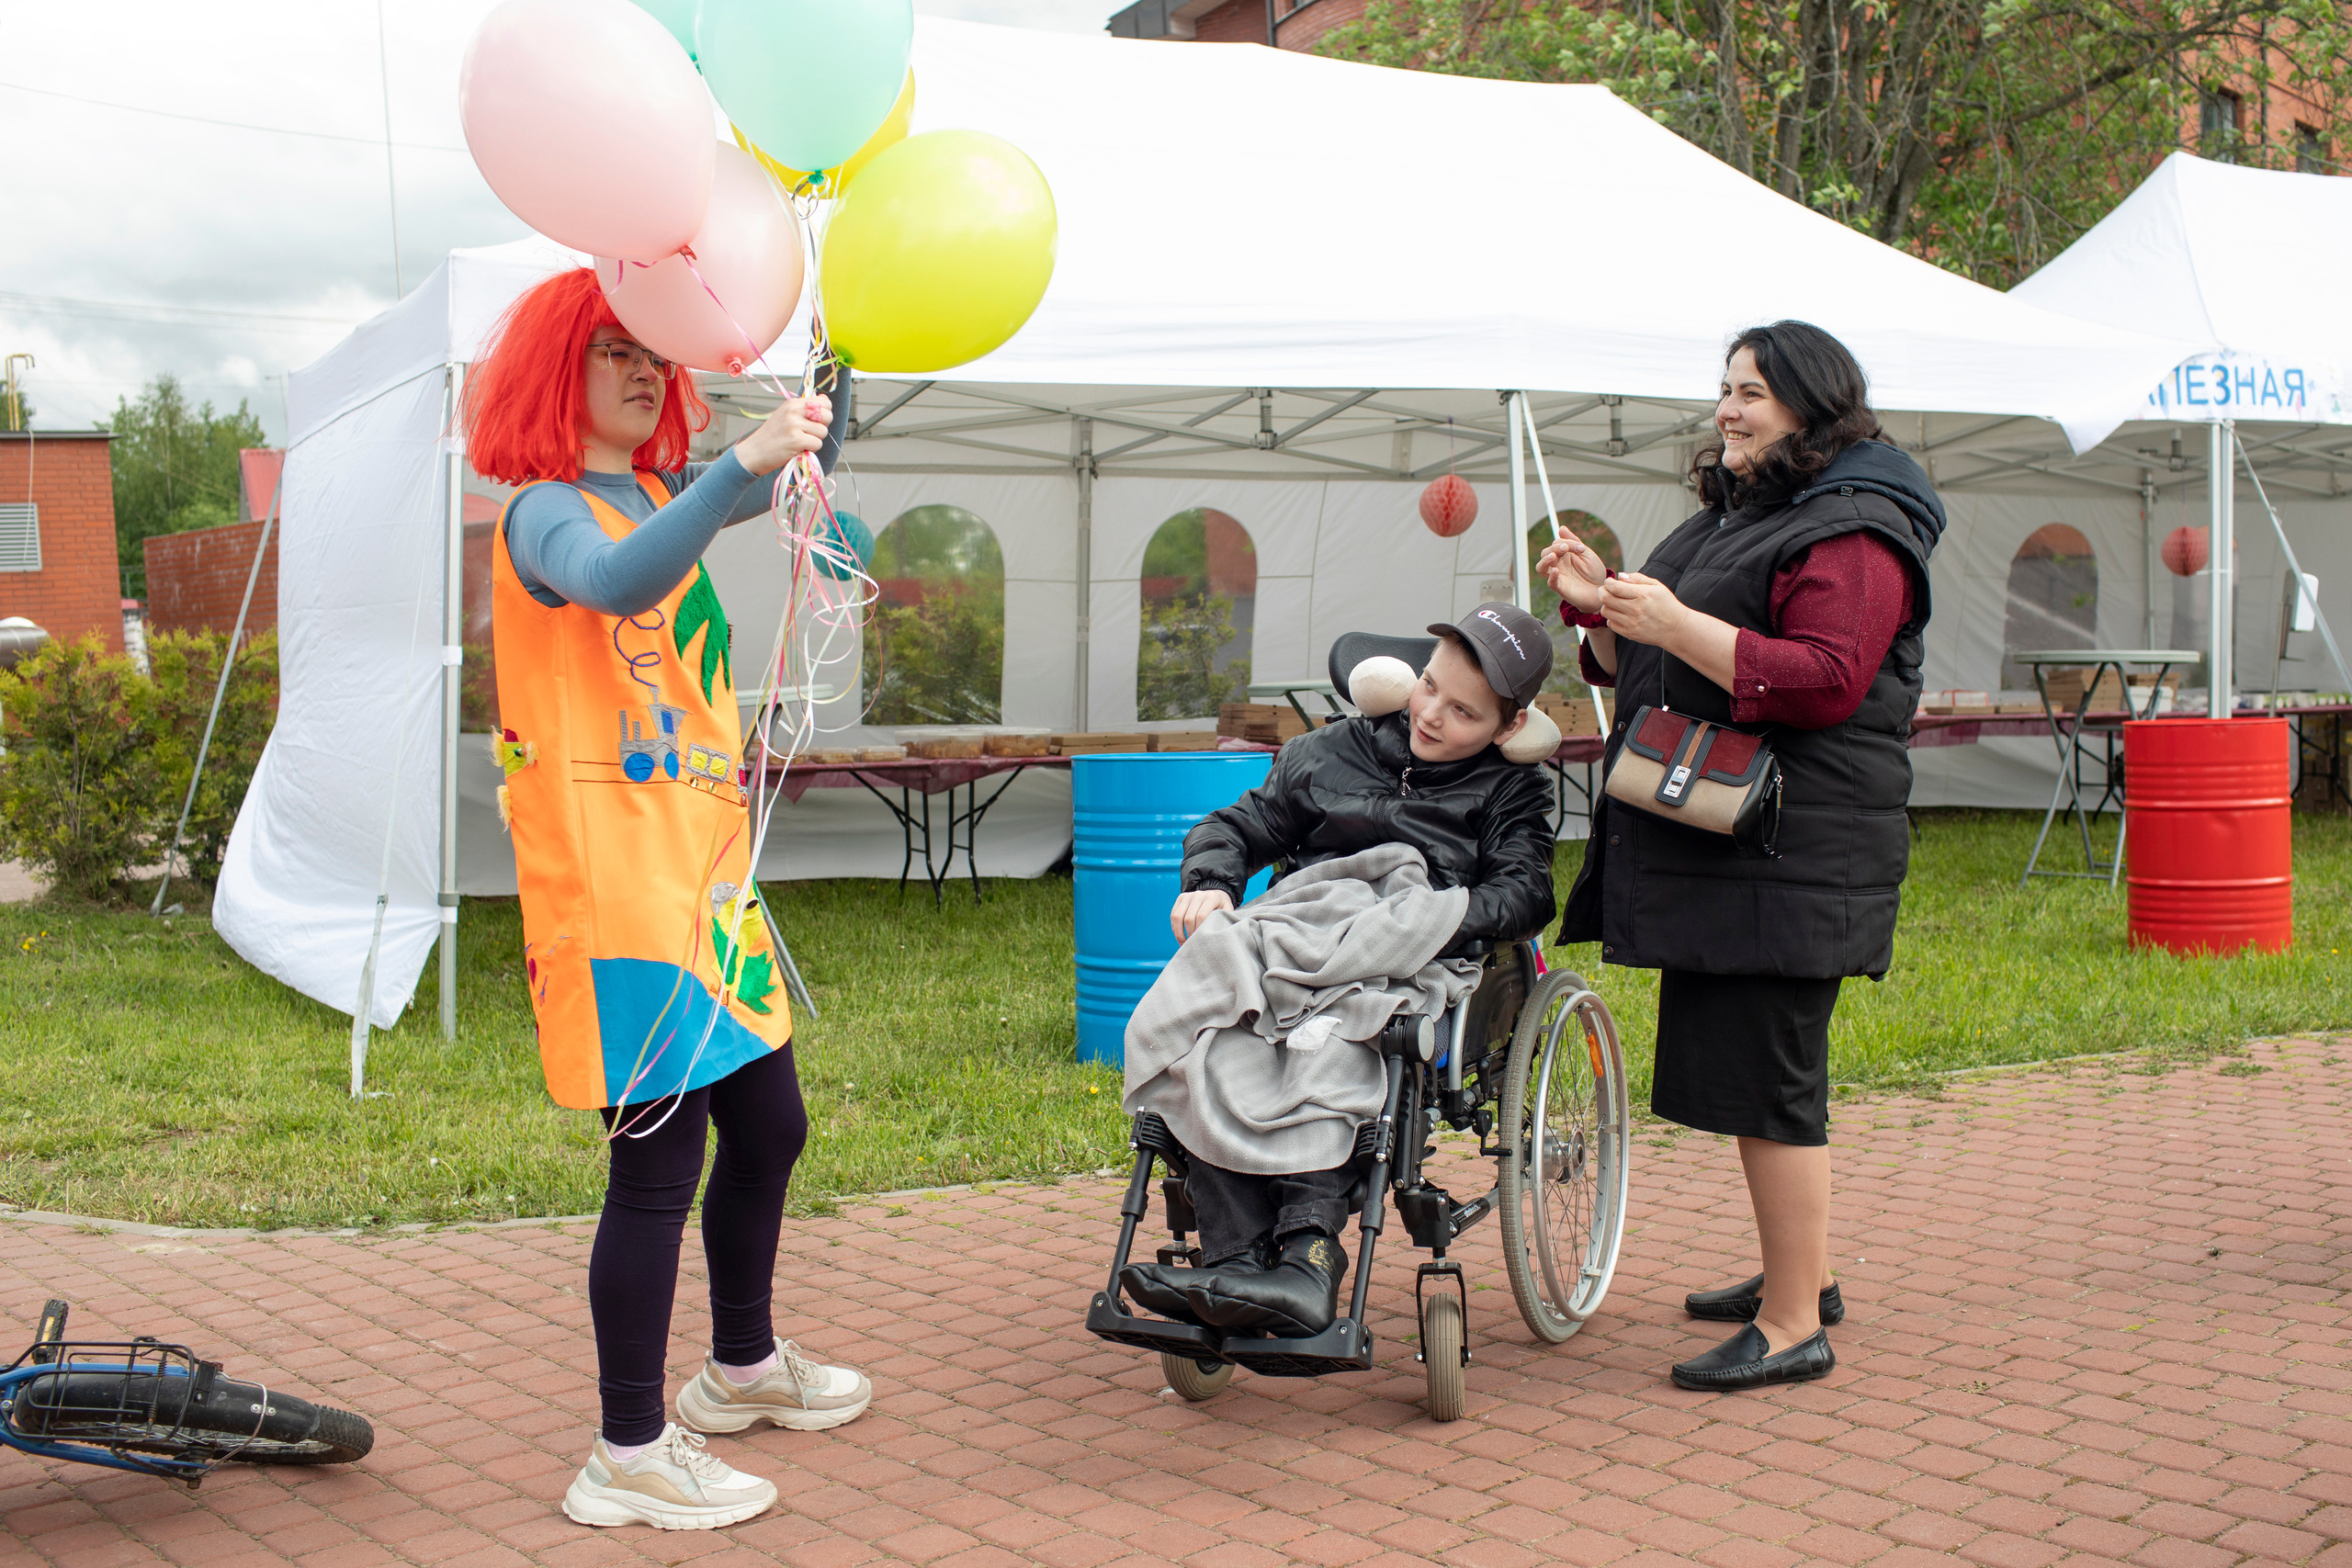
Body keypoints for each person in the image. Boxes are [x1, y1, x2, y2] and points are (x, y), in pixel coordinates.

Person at [465, 267, 868, 1532]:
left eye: (659, 353)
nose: (646, 372)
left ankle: (738, 1367)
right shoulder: (545, 511)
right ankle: (628, 1447)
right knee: (657, 1167)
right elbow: (621, 578)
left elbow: (762, 471)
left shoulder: (651, 489)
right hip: (614, 891)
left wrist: (831, 367)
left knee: (772, 1123)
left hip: (701, 882)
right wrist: (741, 459)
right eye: (614, 352)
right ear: (555, 373)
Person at [1542, 321, 1941, 1393]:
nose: (1727, 408)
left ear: (1812, 404)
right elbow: (1655, 653)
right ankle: (1800, 1273)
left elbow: (1822, 677)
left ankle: (1790, 1324)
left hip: (1792, 843)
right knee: (1752, 1071)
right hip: (1738, 844)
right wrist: (1603, 607)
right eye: (1724, 388)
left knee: (1772, 1083)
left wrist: (1669, 623)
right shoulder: (1746, 514)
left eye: (1752, 392)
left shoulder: (1858, 531)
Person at [1119, 604, 1559, 1338]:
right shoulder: (1327, 752)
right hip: (1300, 934)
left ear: (1509, 728)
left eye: (1463, 711)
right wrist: (1212, 879)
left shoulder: (1512, 789)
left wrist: (1419, 920)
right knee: (1209, 1040)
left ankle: (1307, 1260)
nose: (1431, 715)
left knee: (1331, 1041)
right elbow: (1236, 825)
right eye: (1427, 687)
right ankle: (1235, 1261)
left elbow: (1526, 890)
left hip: (1397, 957)